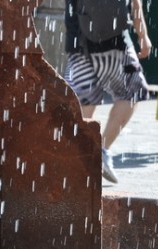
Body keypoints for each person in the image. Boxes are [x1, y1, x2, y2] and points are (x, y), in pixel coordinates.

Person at [64, 0, 152, 183]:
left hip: (77, 40)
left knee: (84, 101)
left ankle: (73, 155)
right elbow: (135, 3)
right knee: (132, 92)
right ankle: (100, 150)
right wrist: (142, 35)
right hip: (115, 41)